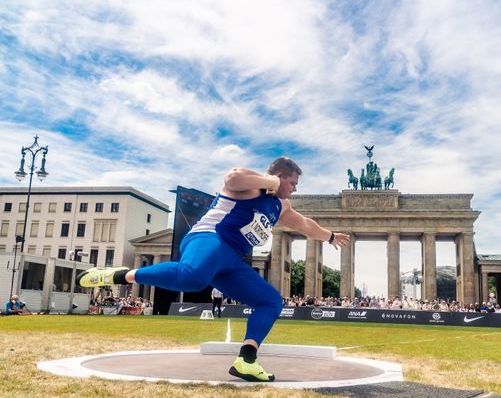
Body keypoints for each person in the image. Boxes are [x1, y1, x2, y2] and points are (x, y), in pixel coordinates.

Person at [77, 157, 350, 382]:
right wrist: (272, 182)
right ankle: (119, 274)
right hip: (209, 239)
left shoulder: (281, 206)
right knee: (192, 278)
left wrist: (328, 236)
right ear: (280, 175)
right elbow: (232, 177)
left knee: (270, 301)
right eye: (292, 182)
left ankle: (247, 359)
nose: (294, 188)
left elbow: (304, 224)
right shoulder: (253, 187)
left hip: (231, 259)